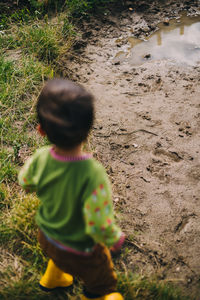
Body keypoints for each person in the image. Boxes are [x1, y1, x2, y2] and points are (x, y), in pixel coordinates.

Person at [18, 79, 125, 300]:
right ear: (88, 130)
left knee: (57, 257)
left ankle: (54, 277)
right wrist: (114, 239)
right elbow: (98, 221)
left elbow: (25, 181)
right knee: (101, 281)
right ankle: (95, 296)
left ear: (41, 130)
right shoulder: (92, 173)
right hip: (81, 250)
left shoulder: (41, 159)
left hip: (47, 236)